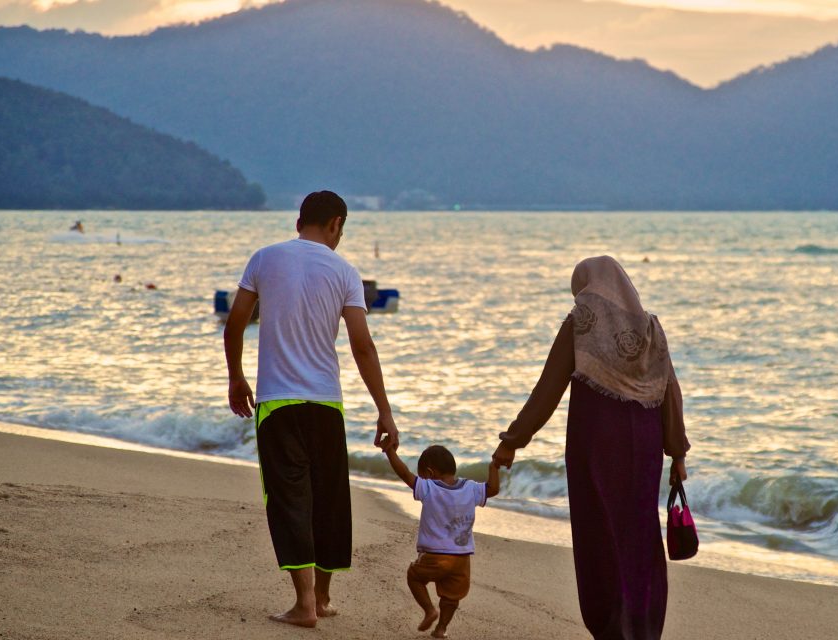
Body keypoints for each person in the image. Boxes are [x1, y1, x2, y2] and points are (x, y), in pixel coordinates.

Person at [224, 190, 399, 628]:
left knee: (288, 499)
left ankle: (304, 603)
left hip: (277, 403)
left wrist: (236, 377)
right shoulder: (345, 271)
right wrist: (384, 410)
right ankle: (321, 598)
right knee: (329, 500)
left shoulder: (264, 258)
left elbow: (236, 324)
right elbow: (362, 346)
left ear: (299, 221)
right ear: (336, 224)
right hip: (326, 403)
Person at [492, 256, 689, 640]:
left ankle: (610, 626)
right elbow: (670, 390)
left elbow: (547, 389)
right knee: (639, 534)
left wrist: (512, 442)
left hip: (595, 446)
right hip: (644, 449)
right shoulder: (651, 328)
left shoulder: (582, 322)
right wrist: (677, 452)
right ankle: (643, 627)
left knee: (599, 533)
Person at [383, 444, 499, 638]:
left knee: (414, 576)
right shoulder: (471, 488)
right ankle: (441, 628)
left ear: (430, 473)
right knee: (451, 597)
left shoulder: (429, 487)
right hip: (462, 558)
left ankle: (429, 610)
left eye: (423, 475)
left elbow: (404, 473)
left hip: (435, 556)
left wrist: (389, 451)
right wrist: (493, 467)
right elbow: (493, 488)